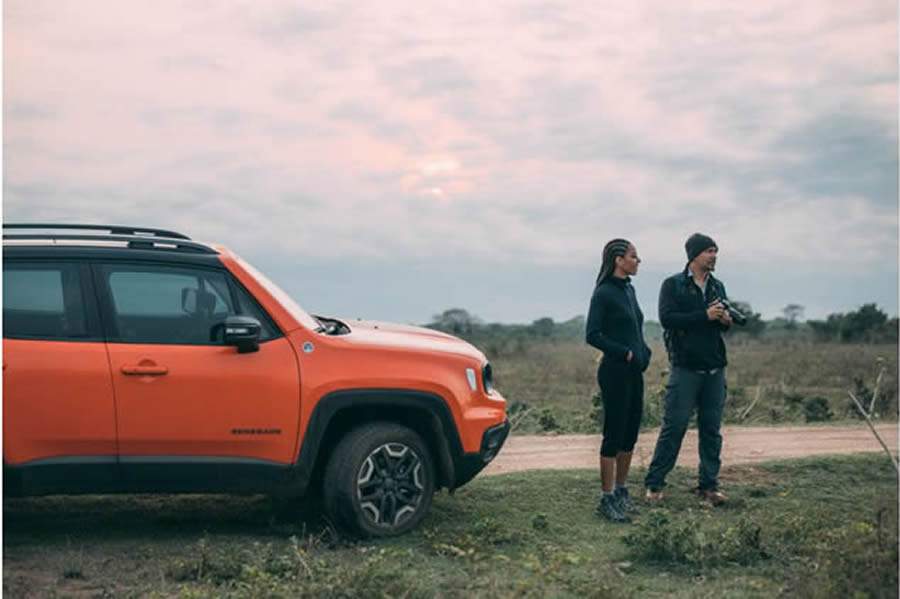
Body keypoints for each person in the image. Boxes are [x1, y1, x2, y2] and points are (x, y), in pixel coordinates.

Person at [644, 233, 737, 506]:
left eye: (716, 251)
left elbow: (718, 326)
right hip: (685, 369)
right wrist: (704, 316)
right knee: (674, 428)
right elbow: (667, 319)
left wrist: (725, 321)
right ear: (694, 255)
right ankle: (654, 484)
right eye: (709, 251)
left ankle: (708, 486)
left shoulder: (717, 286)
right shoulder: (672, 285)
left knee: (711, 430)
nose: (714, 255)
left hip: (715, 369)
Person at [585, 239, 652, 522]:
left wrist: (644, 351)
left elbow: (635, 327)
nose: (638, 261)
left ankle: (622, 492)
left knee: (630, 433)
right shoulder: (604, 293)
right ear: (618, 260)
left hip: (634, 372)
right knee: (614, 434)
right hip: (614, 372)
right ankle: (606, 498)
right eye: (634, 256)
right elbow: (593, 335)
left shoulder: (629, 290)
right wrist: (624, 353)